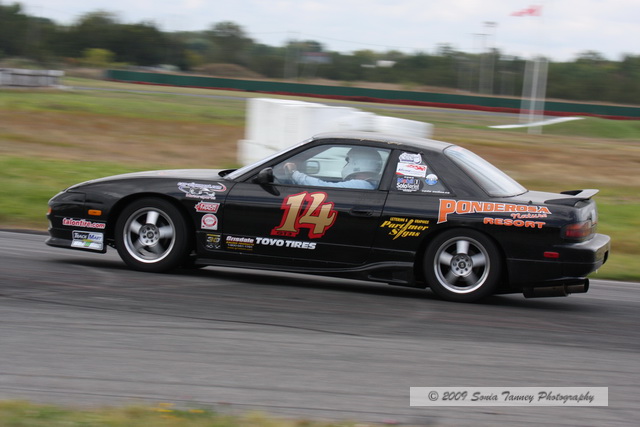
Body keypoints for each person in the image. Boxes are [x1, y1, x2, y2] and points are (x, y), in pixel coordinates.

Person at [283, 147, 383, 189]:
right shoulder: (372, 184)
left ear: (357, 163)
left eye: (348, 161)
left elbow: (323, 187)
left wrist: (294, 173)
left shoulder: (361, 185)